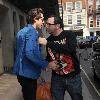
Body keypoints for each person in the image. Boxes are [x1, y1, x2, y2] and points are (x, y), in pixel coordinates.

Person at [13, 8, 58, 100]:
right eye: (41, 19)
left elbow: (17, 52)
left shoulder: (21, 31)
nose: (43, 22)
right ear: (35, 19)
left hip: (20, 72)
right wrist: (46, 64)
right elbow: (29, 53)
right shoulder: (32, 32)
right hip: (28, 73)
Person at [39, 15, 83, 100]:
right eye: (46, 24)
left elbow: (69, 49)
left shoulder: (69, 35)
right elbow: (50, 57)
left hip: (73, 77)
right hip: (57, 79)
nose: (46, 26)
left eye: (49, 24)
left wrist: (48, 43)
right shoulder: (49, 39)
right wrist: (47, 64)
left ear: (57, 26)